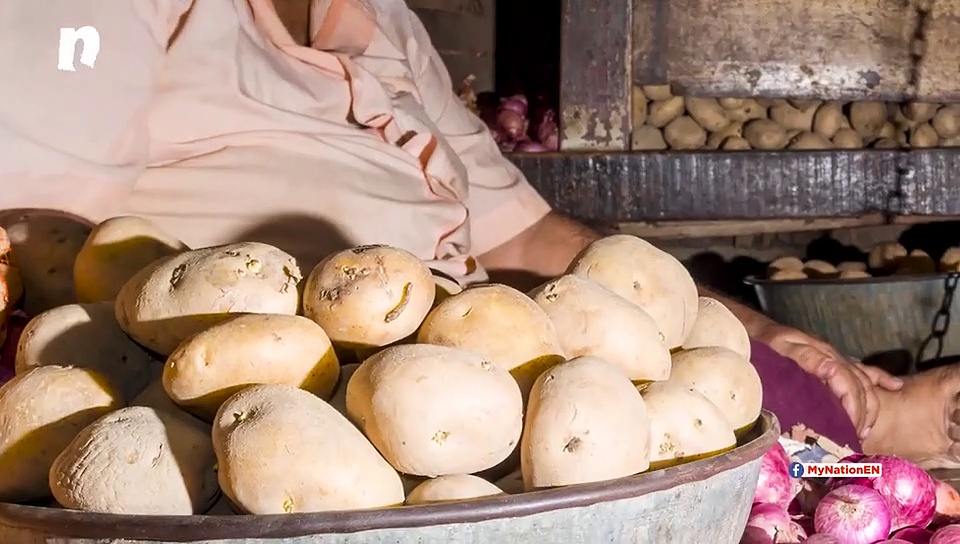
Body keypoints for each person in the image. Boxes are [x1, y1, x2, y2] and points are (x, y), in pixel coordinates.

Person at [2, 0, 958, 466]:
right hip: (301, 394)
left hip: (479, 345)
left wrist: (752, 327)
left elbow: (533, 237)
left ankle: (877, 418)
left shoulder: (382, 22)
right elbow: (31, 230)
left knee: (753, 383)